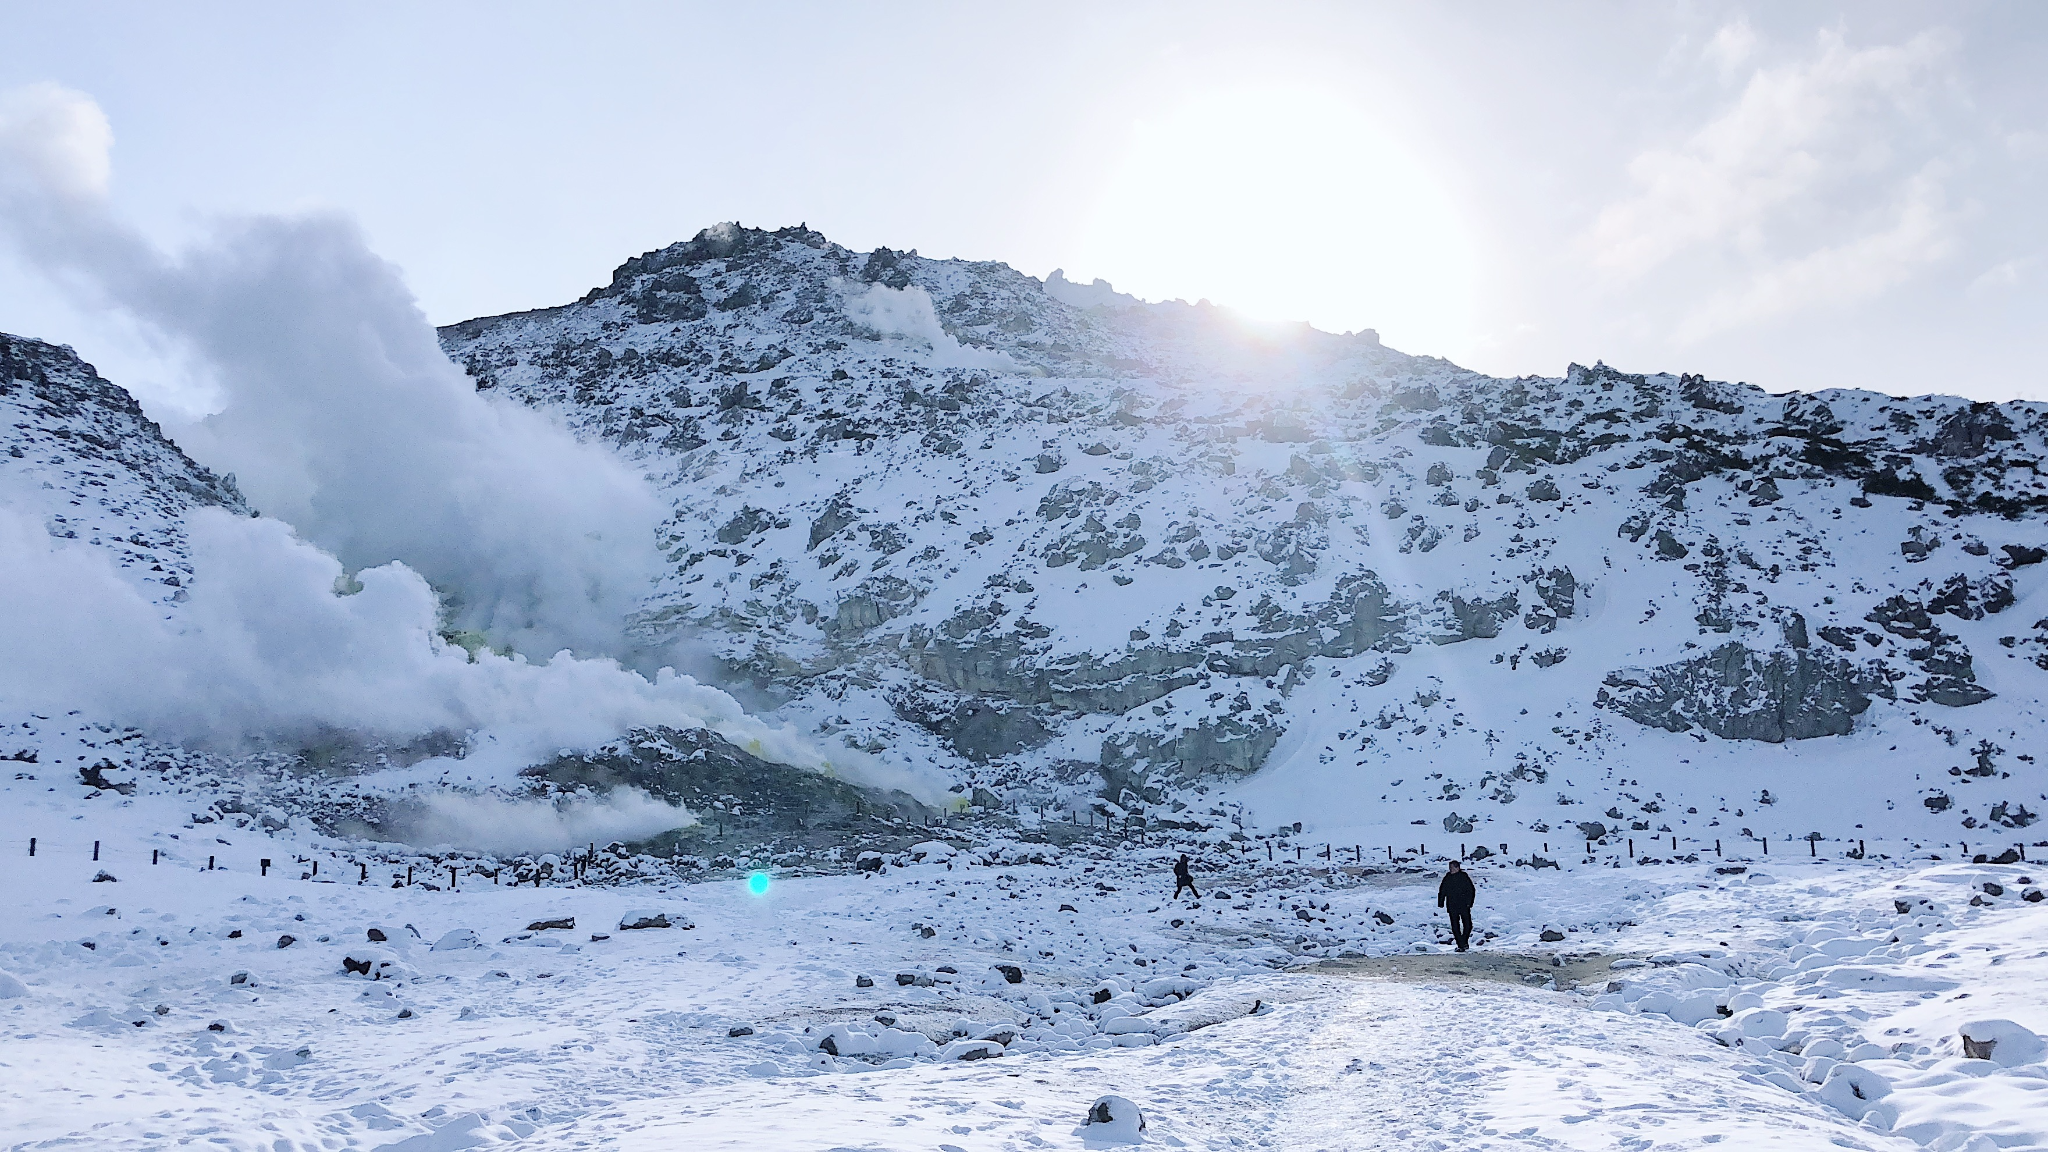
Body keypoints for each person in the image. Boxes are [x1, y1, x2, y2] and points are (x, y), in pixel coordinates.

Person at [1438, 860, 1476, 952]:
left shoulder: (1464, 877)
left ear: (1457, 868)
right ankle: (1460, 945)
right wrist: (1441, 902)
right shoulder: (1447, 877)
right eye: (1449, 868)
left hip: (1464, 905)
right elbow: (1442, 890)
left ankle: (1464, 942)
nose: (1450, 870)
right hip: (1452, 905)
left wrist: (1469, 903)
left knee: (1468, 925)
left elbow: (1471, 890)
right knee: (1455, 926)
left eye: (1452, 868)